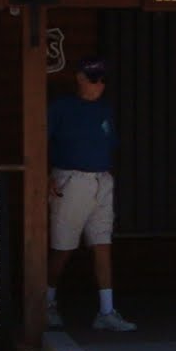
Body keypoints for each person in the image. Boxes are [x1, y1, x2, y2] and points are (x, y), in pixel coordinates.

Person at [47, 56, 136, 331]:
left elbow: (110, 142)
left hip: (102, 180)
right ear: (80, 78)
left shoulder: (104, 109)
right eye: (94, 78)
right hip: (72, 179)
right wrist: (45, 175)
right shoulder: (62, 108)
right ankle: (45, 303)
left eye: (102, 80)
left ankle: (107, 311)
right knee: (63, 247)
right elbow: (40, 140)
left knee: (102, 243)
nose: (99, 85)